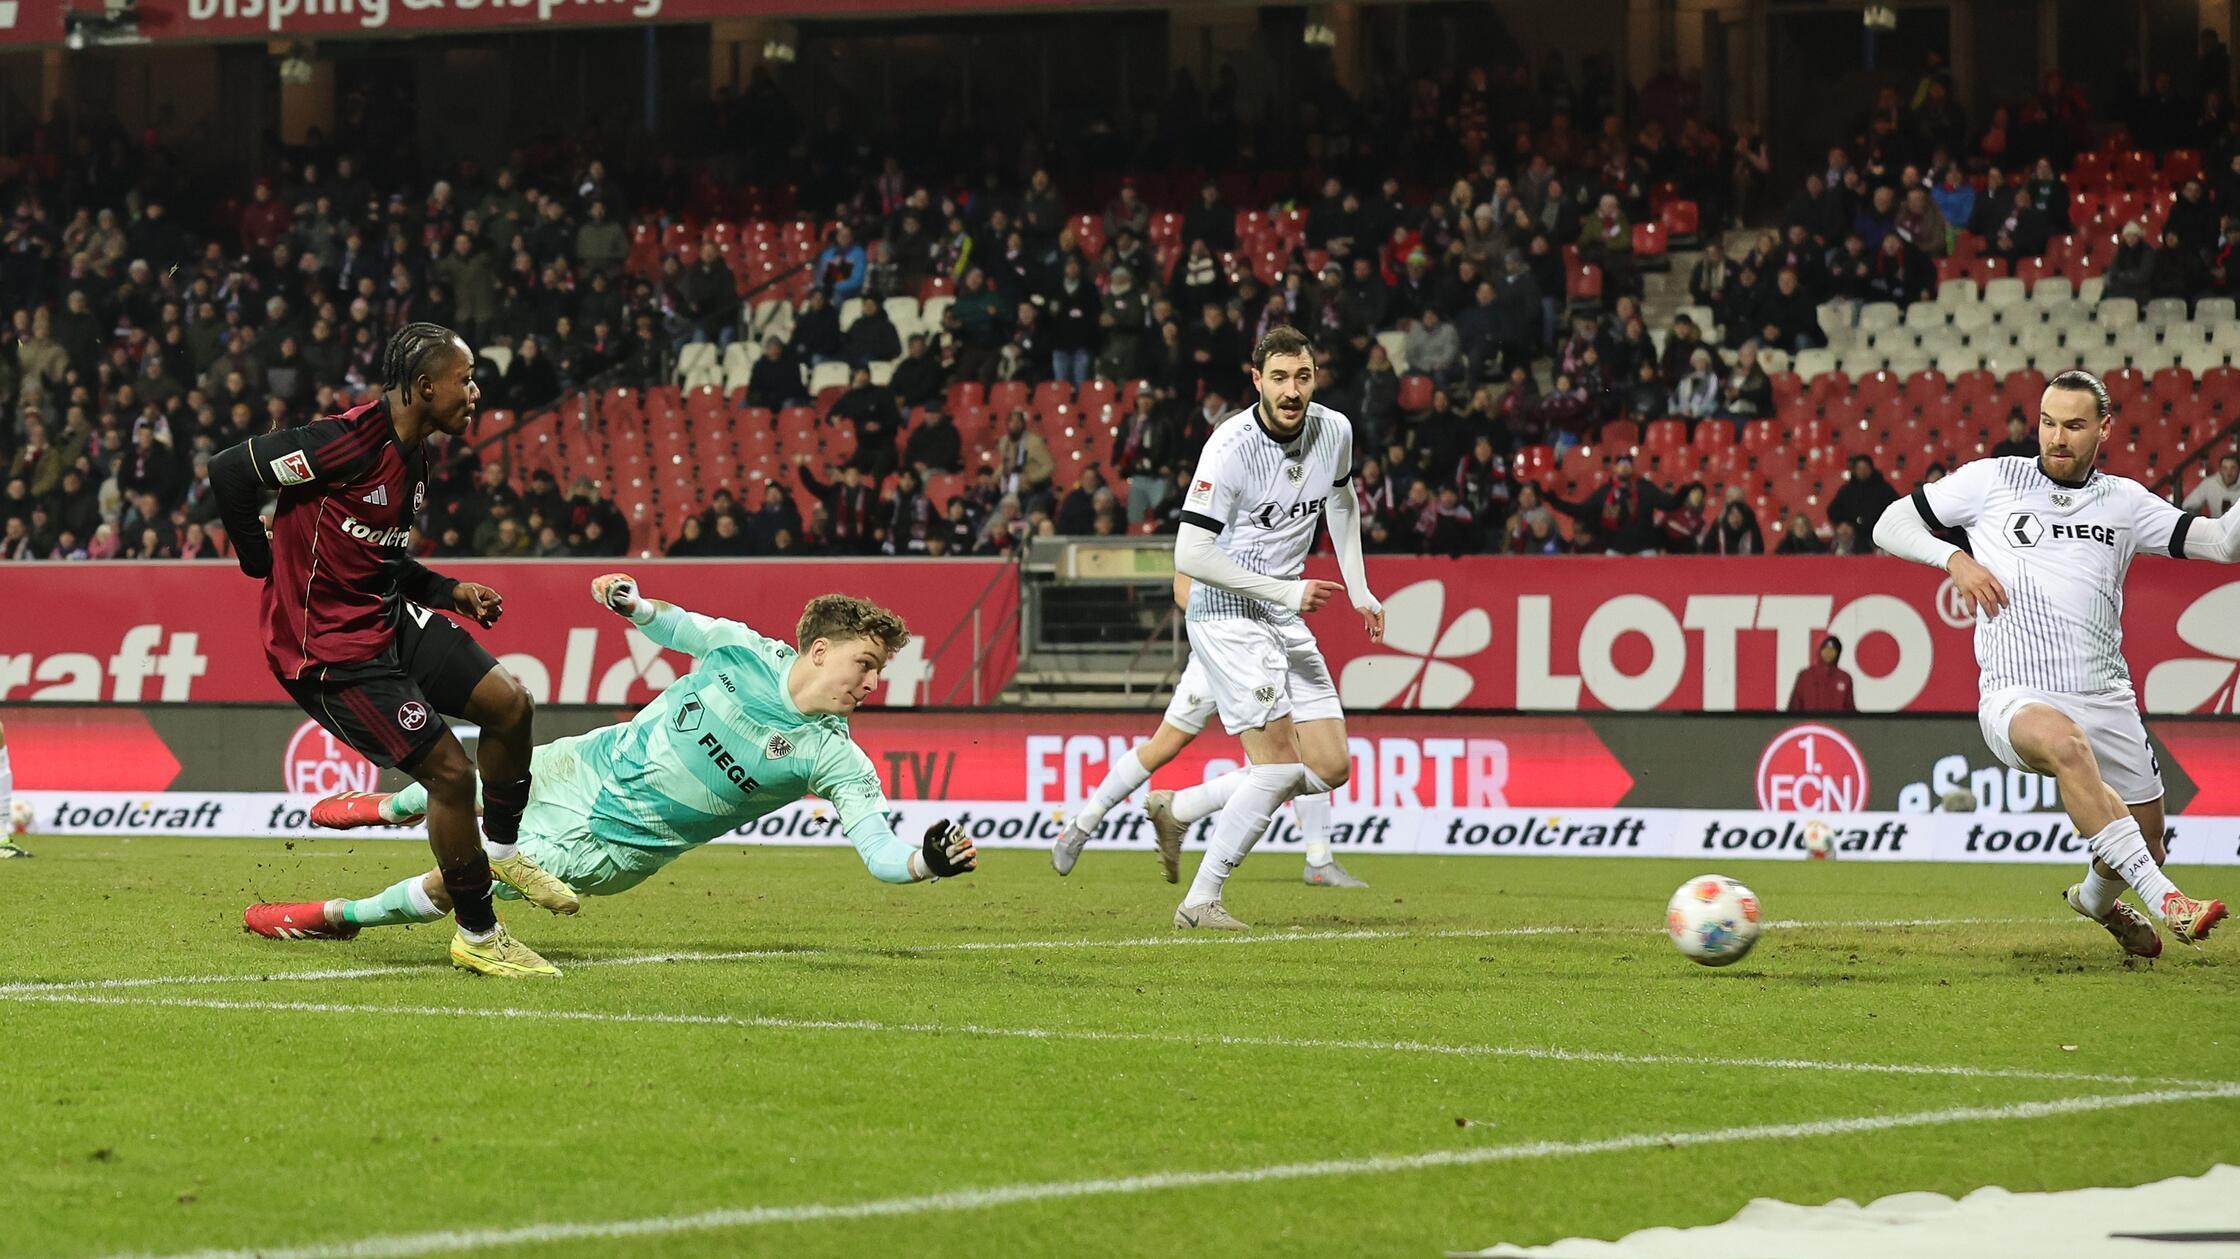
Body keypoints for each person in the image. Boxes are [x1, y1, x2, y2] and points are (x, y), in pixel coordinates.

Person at [272, 584, 977, 935]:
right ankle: (387, 805)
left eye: (878, 671)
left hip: (610, 843)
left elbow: (883, 854)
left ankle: (342, 914)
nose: (871, 683)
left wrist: (927, 861)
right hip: (585, 763)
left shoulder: (836, 760)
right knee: (468, 778)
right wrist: (630, 601)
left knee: (469, 873)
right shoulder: (740, 649)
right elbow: (676, 624)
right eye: (866, 663)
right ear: (819, 650)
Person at [215, 323, 573, 978]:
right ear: (424, 385)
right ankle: (479, 934)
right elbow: (230, 470)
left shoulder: (415, 454)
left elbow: (378, 556)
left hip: (382, 614)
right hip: (327, 647)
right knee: (450, 775)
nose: (474, 392)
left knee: (509, 704)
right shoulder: (346, 440)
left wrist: (448, 590)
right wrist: (256, 558)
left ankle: (502, 850)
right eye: (464, 379)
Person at [1873, 369, 2231, 957]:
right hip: (2017, 694)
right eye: (2047, 423)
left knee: (2148, 838)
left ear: (2104, 428)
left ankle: (2094, 901)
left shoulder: (2125, 502)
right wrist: (1953, 560)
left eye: (2073, 425)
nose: (2057, 437)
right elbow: (1891, 523)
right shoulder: (1992, 480)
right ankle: (2169, 901)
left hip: (2106, 695)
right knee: (2065, 746)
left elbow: (2220, 542)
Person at [1167, 326, 1384, 930]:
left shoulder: (1334, 430)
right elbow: (1191, 554)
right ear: (1257, 379)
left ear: (1316, 377)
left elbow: (1342, 502)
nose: (1293, 390)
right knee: (1281, 768)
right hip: (1227, 612)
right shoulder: (1229, 447)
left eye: (1304, 377)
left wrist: (1359, 589)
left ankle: (1184, 804)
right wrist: (1287, 589)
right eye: (1281, 378)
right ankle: (1200, 902)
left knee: (1330, 765)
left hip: (1280, 613)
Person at [1051, 577, 1366, 889]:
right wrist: (1222, 622)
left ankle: (1319, 857)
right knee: (1166, 744)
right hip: (1223, 648)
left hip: (1275, 645)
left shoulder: (1268, 537)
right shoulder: (1212, 531)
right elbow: (1182, 588)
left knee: (1308, 746)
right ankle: (1084, 824)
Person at [1787, 635, 1856, 712]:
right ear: (1820, 651)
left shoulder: (1845, 678)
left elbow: (1850, 711)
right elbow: (1794, 707)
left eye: (1832, 650)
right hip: (1810, 723)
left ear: (1838, 653)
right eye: (1826, 649)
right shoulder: (1806, 676)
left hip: (1834, 723)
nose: (1828, 653)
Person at [2181, 453, 2240, 517]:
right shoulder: (2209, 483)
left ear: (2238, 469)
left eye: (2233, 468)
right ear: (2220, 470)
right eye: (2225, 468)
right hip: (2215, 525)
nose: (2229, 473)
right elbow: (2188, 506)